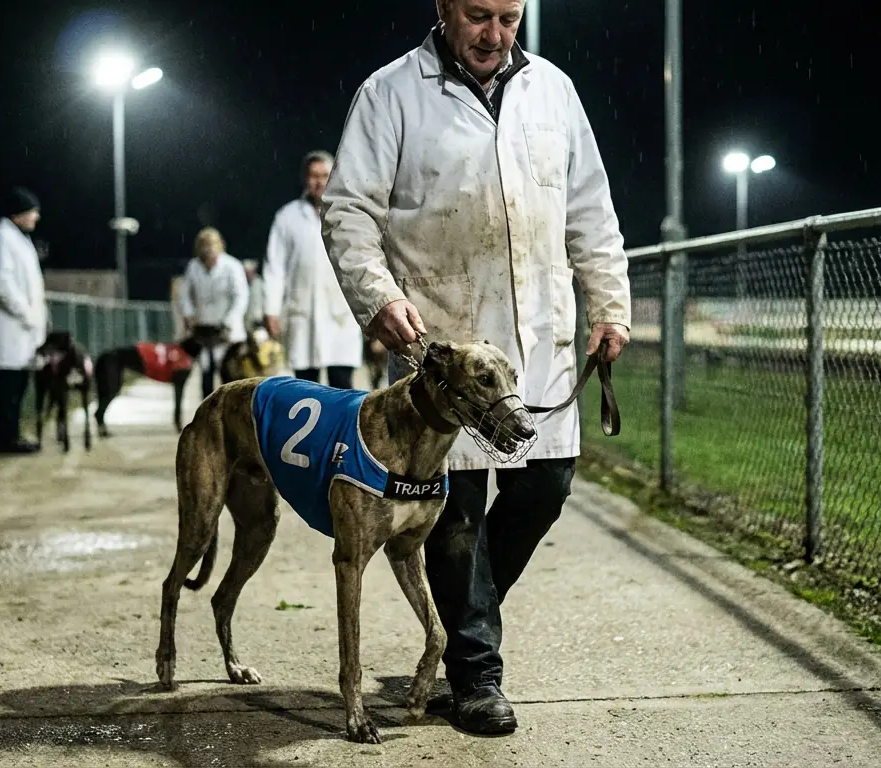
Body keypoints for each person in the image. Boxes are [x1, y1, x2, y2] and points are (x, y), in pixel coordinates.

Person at [320, 0, 632, 736]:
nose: (494, 35)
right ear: (442, 10)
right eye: (478, 16)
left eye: (509, 19)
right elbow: (349, 210)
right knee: (453, 518)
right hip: (445, 357)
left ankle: (467, 625)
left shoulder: (553, 90)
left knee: (545, 487)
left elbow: (590, 209)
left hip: (540, 344)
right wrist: (379, 297)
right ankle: (477, 676)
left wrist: (610, 306)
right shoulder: (391, 93)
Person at [263, 151, 365, 390]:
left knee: (342, 388)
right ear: (304, 179)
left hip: (340, 316)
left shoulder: (349, 214)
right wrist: (271, 310)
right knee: (306, 389)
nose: (319, 181)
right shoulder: (287, 217)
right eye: (313, 176)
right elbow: (274, 266)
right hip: (303, 314)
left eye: (324, 175)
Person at [0, 185, 48, 455]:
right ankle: (4, 440)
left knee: (18, 385)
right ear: (18, 213)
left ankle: (12, 435)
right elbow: (1, 280)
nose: (36, 217)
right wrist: (25, 311)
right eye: (33, 212)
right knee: (7, 386)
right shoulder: (1, 237)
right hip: (10, 325)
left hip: (24, 328)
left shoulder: (18, 238)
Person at [177, 227, 250, 399]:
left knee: (230, 377)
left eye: (212, 245)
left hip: (228, 331)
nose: (208, 250)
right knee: (206, 375)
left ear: (220, 246)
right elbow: (184, 294)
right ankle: (208, 417)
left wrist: (229, 321)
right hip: (204, 330)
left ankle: (232, 418)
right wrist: (188, 314)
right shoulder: (193, 267)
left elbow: (240, 296)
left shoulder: (232, 266)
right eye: (204, 246)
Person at [242, 258, 267, 332]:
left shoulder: (261, 283)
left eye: (249, 271)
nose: (248, 274)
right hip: (245, 320)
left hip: (258, 320)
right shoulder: (241, 284)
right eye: (246, 271)